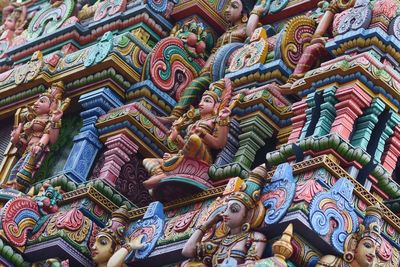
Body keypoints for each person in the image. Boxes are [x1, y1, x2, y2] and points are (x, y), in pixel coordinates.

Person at [160, 0, 268, 123]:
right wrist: (206, 69)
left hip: (227, 70)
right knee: (198, 84)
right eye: (227, 6)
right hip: (211, 68)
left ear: (244, 15)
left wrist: (255, 13)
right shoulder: (228, 31)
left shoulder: (243, 29)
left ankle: (176, 114)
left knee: (196, 85)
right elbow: (215, 51)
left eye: (234, 7)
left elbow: (251, 34)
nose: (228, 10)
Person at [143, 79, 232, 189]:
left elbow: (219, 143)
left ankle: (176, 162)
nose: (200, 104)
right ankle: (161, 174)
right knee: (148, 161)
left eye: (207, 101)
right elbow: (185, 146)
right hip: (186, 157)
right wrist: (177, 136)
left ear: (216, 105)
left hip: (202, 158)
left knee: (194, 139)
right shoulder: (193, 124)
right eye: (201, 101)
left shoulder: (217, 120)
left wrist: (203, 133)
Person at [181, 166, 268, 266]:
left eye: (234, 209)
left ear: (248, 215)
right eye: (225, 209)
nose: (226, 213)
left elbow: (251, 265)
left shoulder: (255, 238)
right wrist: (208, 224)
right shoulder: (219, 242)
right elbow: (187, 251)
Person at [5, 81, 70, 192]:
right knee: (14, 170)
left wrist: (40, 145)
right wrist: (16, 137)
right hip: (28, 149)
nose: (36, 104)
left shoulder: (48, 120)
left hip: (36, 148)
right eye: (37, 101)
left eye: (42, 101)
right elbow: (23, 142)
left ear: (52, 105)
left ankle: (17, 190)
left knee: (24, 171)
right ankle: (11, 187)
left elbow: (49, 136)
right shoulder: (31, 120)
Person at [316, 205, 383, 267]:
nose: (373, 254)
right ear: (354, 245)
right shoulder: (331, 262)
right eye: (367, 245)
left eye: (376, 252)